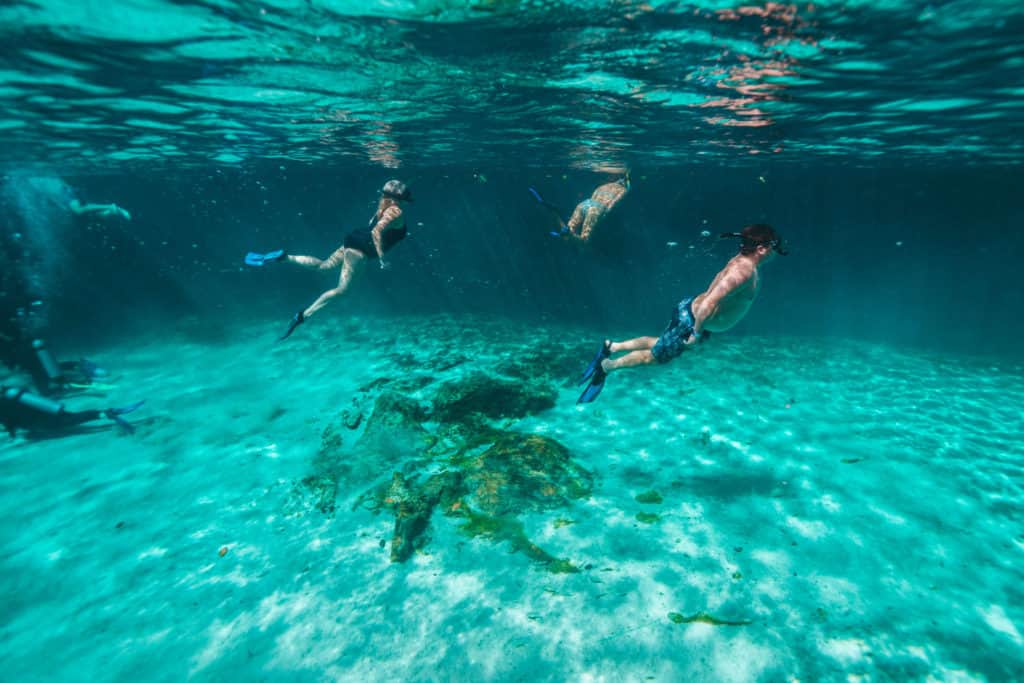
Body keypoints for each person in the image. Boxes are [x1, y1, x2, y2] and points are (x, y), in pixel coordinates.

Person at [576, 224, 787, 403]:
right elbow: (710, 302)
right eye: (773, 246)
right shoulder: (743, 270)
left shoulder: (744, 262)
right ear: (761, 249)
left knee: (661, 343)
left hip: (693, 316)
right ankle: (607, 366)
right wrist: (696, 333)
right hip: (694, 320)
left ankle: (611, 347)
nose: (775, 251)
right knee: (655, 357)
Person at [245, 180, 414, 340]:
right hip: (362, 250)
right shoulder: (395, 210)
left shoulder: (382, 204)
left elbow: (375, 226)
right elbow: (377, 232)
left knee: (324, 266)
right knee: (343, 290)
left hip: (354, 239)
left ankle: (284, 257)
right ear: (399, 198)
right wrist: (382, 259)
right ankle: (303, 316)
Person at [1, 384, 143, 437]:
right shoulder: (9, 391)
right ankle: (104, 413)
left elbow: (9, 422)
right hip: (47, 410)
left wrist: (13, 434)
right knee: (73, 418)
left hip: (41, 422)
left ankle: (106, 413)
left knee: (72, 421)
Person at [530, 172, 630, 243]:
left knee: (568, 233)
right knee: (584, 240)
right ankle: (564, 228)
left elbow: (593, 197)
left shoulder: (604, 186)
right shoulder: (623, 190)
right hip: (597, 208)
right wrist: (604, 215)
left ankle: (556, 214)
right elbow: (613, 204)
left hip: (586, 203)